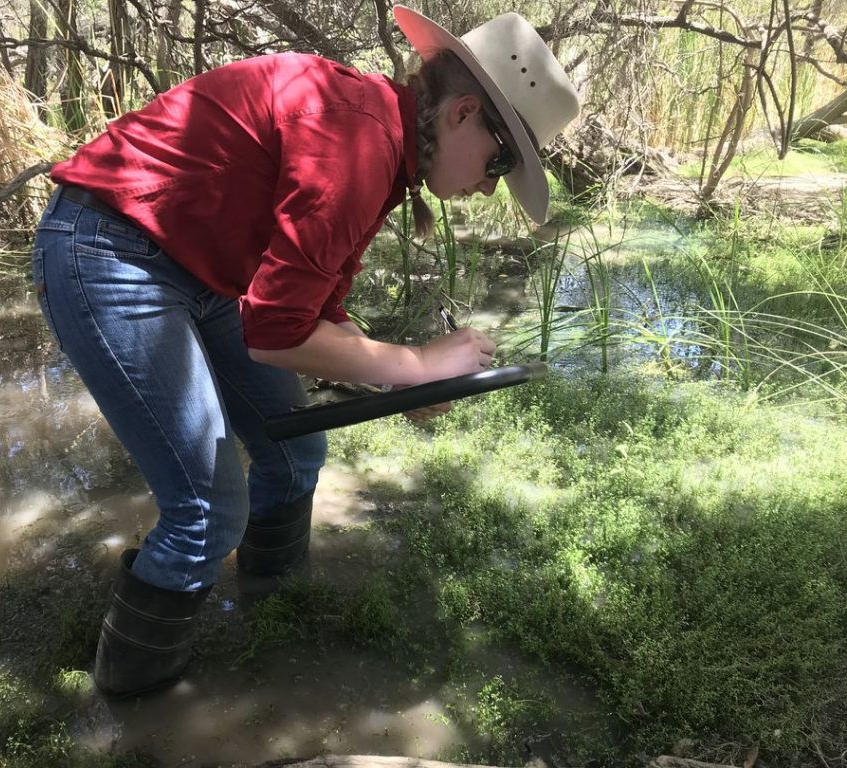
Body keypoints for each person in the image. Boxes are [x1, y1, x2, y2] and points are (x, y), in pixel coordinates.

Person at [32, 5, 579, 698]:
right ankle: (130, 707)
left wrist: (402, 385)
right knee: (206, 513)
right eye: (501, 160)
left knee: (294, 451)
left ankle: (274, 609)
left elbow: (311, 311)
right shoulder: (358, 141)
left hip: (195, 270)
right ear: (463, 114)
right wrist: (415, 364)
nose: (490, 184)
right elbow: (276, 333)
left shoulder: (381, 144)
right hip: (110, 249)